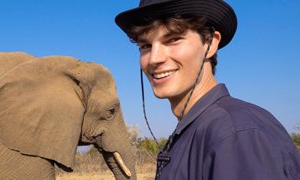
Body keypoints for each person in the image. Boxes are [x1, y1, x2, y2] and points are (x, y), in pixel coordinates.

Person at [115, 0, 300, 179]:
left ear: (210, 43)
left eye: (173, 40)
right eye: (145, 46)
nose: (154, 58)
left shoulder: (236, 134)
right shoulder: (196, 131)